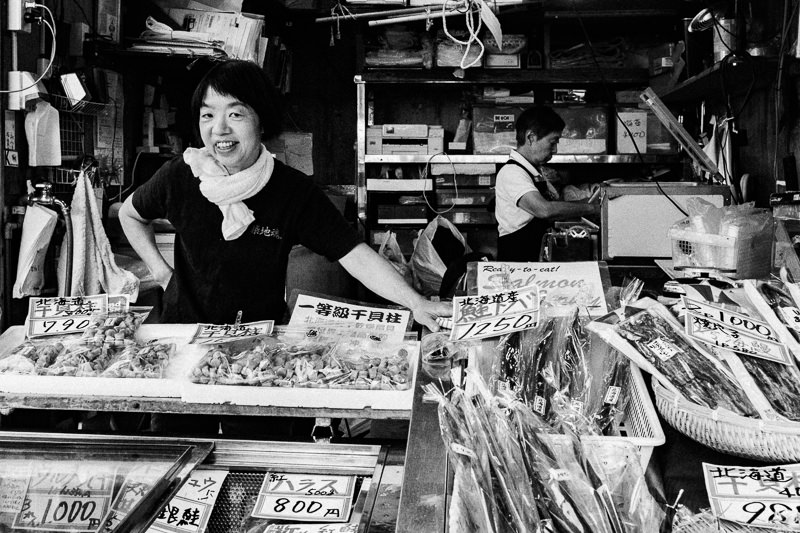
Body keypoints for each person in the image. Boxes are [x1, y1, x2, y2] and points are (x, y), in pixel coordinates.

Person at [118, 59, 451, 437]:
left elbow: (352, 252)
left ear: (262, 121)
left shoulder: (290, 190)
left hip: (263, 354)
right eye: (207, 114)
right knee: (184, 457)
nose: (219, 129)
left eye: (236, 113)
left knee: (262, 459)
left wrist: (416, 303)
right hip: (187, 345)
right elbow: (130, 215)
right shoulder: (182, 175)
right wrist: (162, 274)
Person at [495, 106, 602, 262]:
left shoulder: (534, 172)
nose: (556, 149)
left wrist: (589, 201)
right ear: (531, 137)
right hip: (518, 265)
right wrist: (591, 208)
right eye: (552, 142)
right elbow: (544, 209)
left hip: (535, 262)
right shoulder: (512, 173)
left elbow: (555, 207)